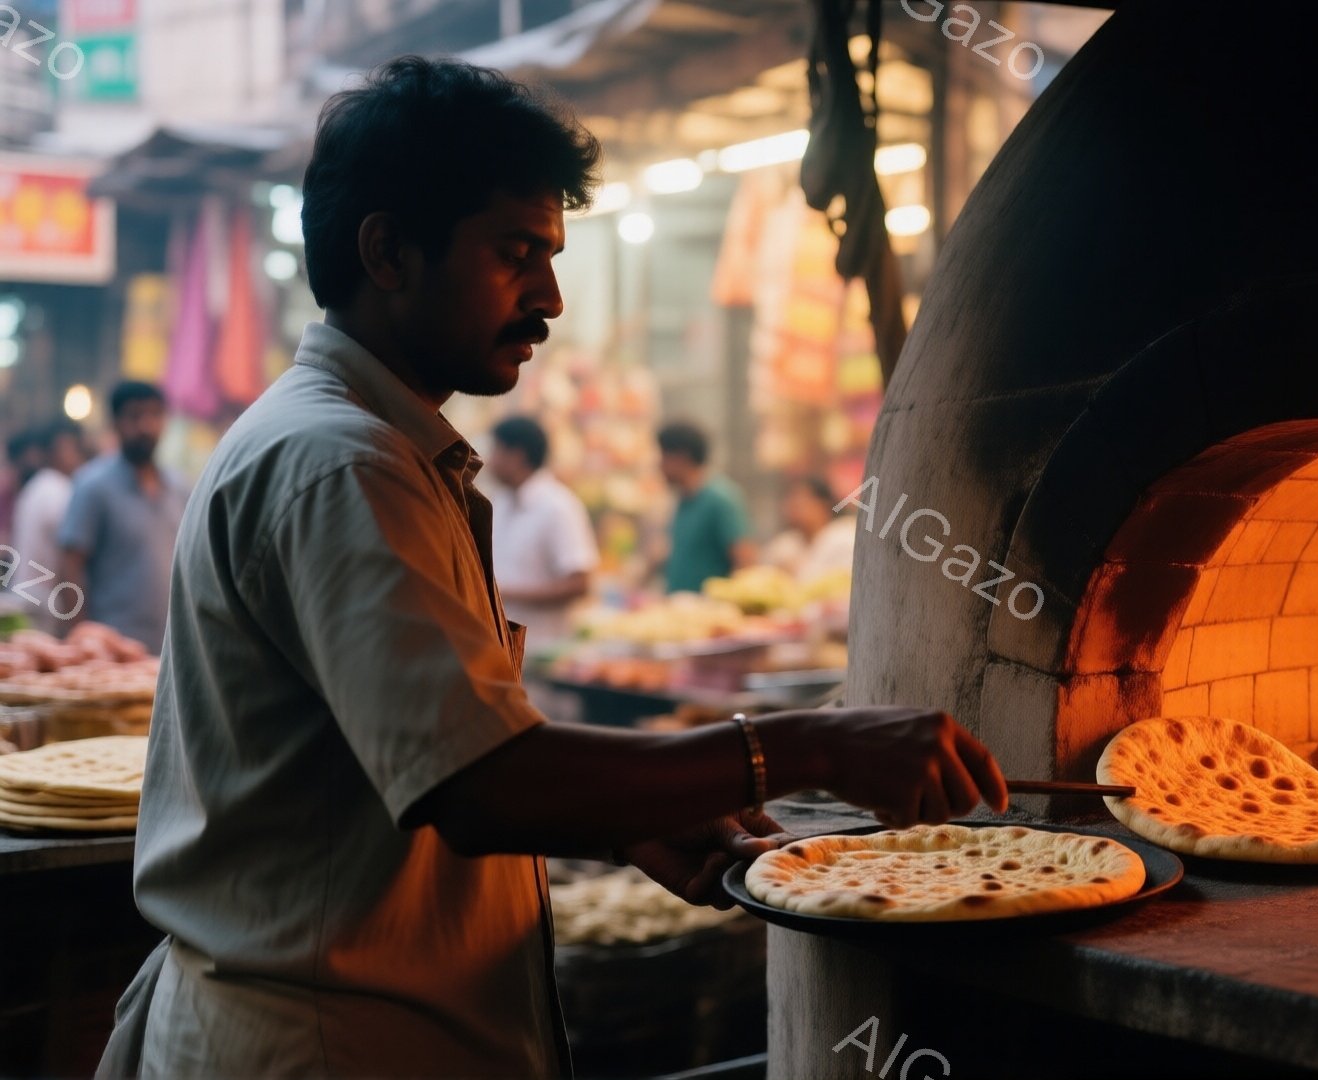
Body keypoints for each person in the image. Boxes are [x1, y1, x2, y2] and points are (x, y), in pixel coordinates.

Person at [100, 56, 1006, 1080]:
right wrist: (809, 747)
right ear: (389, 251)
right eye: (514, 252)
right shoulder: (339, 464)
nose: (551, 298)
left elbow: (442, 749)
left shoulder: (378, 449)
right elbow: (481, 784)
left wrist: (628, 822)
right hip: (329, 1045)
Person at [57, 383, 186, 653]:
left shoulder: (179, 488)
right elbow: (70, 566)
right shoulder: (92, 486)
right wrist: (80, 638)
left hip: (169, 647)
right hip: (109, 649)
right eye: (135, 416)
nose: (146, 426)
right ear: (115, 423)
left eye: (154, 415)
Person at [487, 414, 597, 653]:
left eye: (495, 450)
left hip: (543, 651)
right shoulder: (501, 503)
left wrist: (501, 593)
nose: (489, 459)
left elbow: (579, 583)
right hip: (499, 648)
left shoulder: (558, 506)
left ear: (516, 455)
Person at [657, 419, 754, 593]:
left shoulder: (721, 499)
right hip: (681, 611)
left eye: (664, 456)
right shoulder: (683, 501)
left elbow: (744, 561)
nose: (660, 465)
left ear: (681, 456)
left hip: (710, 614)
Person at [12, 420, 85, 627]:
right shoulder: (56, 488)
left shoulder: (37, 485)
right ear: (52, 451)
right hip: (44, 603)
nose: (75, 455)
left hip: (28, 596)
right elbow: (69, 552)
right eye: (70, 448)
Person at [765, 475, 859, 585]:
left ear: (823, 505)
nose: (793, 508)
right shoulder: (785, 543)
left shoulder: (844, 536)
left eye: (801, 502)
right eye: (790, 501)